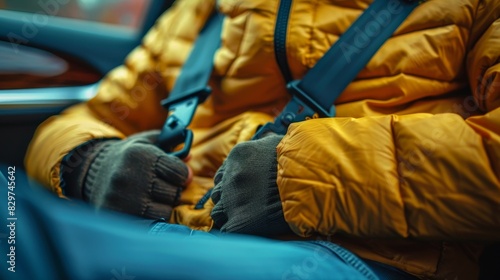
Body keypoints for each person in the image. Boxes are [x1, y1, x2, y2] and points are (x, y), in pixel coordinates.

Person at [24, 0, 500, 279]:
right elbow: (87, 117)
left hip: (354, 256)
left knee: (30, 244)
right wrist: (88, 163)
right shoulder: (205, 11)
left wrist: (300, 180)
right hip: (171, 237)